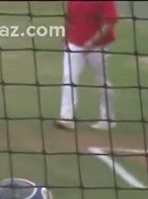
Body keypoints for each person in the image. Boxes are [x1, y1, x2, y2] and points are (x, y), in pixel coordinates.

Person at [56, 0, 117, 131]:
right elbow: (69, 18)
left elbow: (109, 22)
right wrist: (65, 36)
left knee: (102, 82)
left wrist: (93, 41)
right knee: (69, 77)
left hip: (99, 46)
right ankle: (66, 117)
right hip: (74, 43)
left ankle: (107, 118)